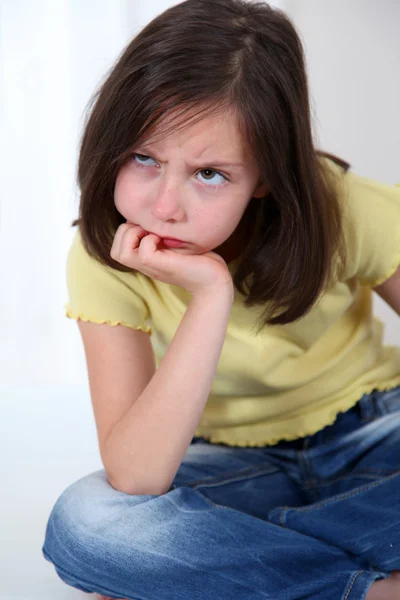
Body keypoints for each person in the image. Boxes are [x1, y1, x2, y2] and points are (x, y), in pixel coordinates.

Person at [42, 1, 400, 598]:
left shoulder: (347, 208)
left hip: (376, 431)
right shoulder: (106, 255)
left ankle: (239, 562)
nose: (164, 207)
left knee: (137, 567)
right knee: (89, 526)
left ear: (265, 176)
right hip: (230, 466)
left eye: (209, 174)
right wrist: (210, 295)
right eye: (144, 158)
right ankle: (370, 587)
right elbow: (136, 475)